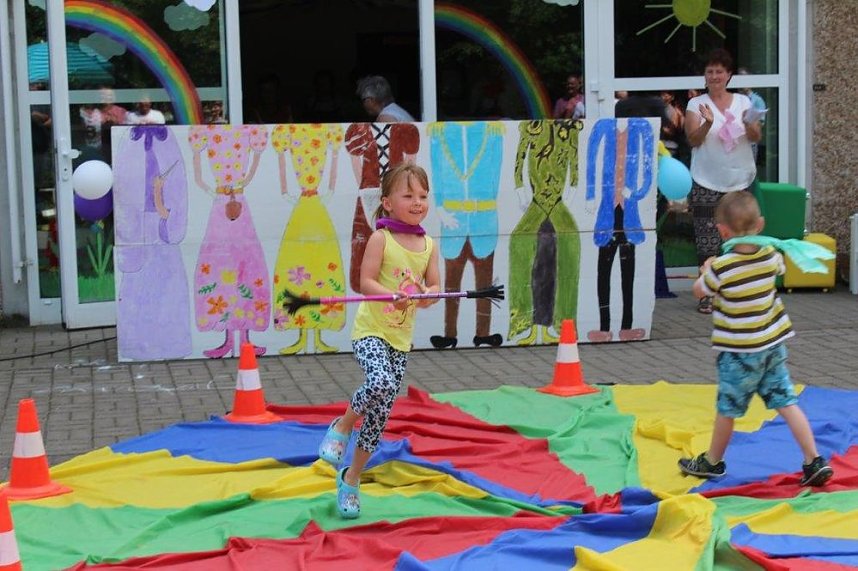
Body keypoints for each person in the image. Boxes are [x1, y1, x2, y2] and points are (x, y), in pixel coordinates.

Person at [678, 192, 833, 487]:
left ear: (722, 231)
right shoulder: (772, 257)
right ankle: (813, 459)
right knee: (787, 402)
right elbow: (777, 269)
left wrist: (707, 270)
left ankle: (712, 461)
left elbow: (701, 291)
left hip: (738, 355)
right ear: (760, 224)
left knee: (728, 410)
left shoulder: (722, 268)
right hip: (773, 348)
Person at [317, 163, 440, 519]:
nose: (417, 202)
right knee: (380, 381)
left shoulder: (429, 245)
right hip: (371, 331)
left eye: (422, 196)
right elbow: (365, 281)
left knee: (380, 415)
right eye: (408, 195)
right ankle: (342, 426)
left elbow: (434, 291)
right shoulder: (380, 238)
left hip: (400, 341)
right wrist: (389, 295)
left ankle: (351, 478)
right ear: (387, 202)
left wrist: (425, 293)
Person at [684, 48, 761, 314]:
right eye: (710, 72)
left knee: (740, 238)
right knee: (707, 240)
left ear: (728, 75)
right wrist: (707, 123)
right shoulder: (696, 104)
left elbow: (755, 137)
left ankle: (739, 291)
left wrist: (748, 123)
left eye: (719, 71)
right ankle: (707, 294)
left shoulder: (744, 103)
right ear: (704, 76)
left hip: (739, 180)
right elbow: (693, 140)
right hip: (705, 180)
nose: (714, 76)